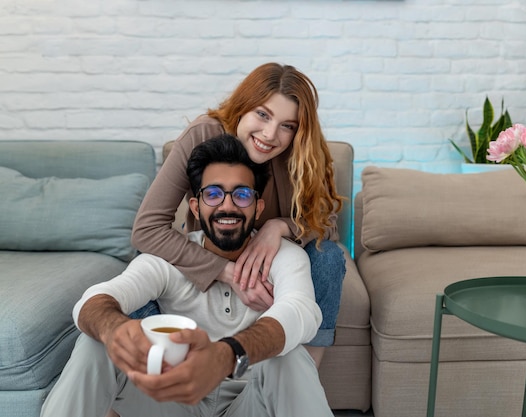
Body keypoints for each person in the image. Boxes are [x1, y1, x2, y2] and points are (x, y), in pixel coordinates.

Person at [40, 134, 333, 417]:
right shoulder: (171, 259)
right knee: (96, 342)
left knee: (290, 356)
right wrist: (114, 330)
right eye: (214, 194)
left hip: (250, 403)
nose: (227, 206)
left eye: (241, 194)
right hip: (173, 403)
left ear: (258, 208)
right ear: (196, 206)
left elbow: (300, 310)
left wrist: (225, 356)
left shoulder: (284, 256)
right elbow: (95, 299)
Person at [131, 62, 346, 366]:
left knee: (329, 257)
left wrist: (278, 227)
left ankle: (306, 373)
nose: (271, 135)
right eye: (263, 114)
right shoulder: (203, 134)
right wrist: (227, 273)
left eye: (288, 125)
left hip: (272, 266)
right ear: (242, 107)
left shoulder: (304, 153)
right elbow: (146, 230)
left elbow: (328, 224)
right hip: (211, 258)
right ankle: (165, 376)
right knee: (138, 276)